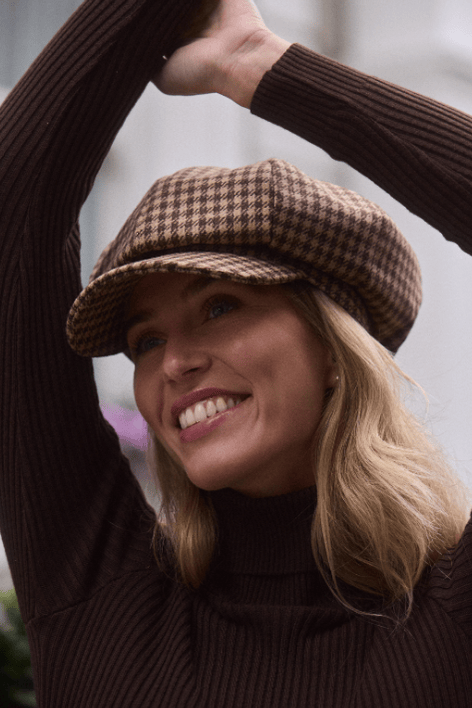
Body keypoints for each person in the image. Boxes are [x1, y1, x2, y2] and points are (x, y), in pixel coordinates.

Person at [1, 0, 472, 706]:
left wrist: (258, 64)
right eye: (145, 340)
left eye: (220, 306)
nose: (174, 363)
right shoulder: (96, 585)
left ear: (334, 347)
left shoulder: (451, 619)